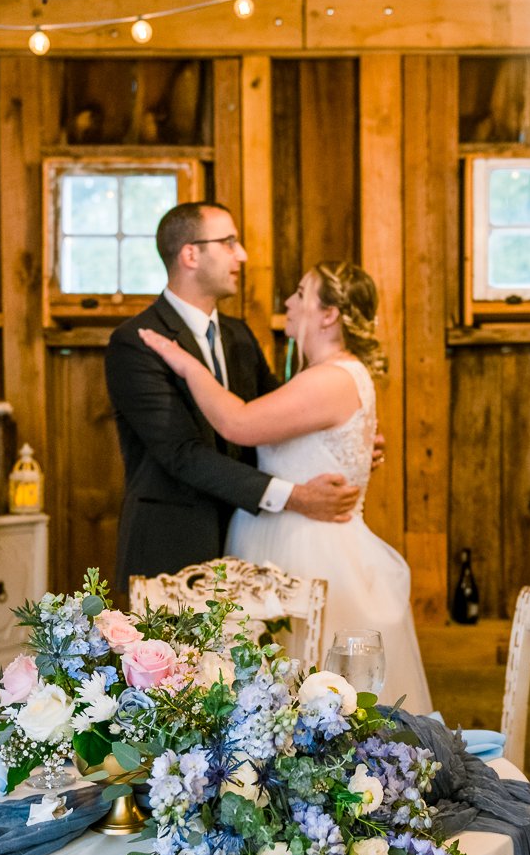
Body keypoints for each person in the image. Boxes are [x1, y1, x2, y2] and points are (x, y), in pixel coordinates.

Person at [140, 259, 432, 714]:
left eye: (301, 292)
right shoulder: (331, 375)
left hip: (306, 548)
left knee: (309, 695)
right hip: (286, 540)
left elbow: (237, 423)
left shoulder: (331, 377)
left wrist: (186, 365)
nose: (289, 302)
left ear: (329, 313)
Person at [105, 202, 361, 592]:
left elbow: (278, 415)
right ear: (190, 254)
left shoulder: (239, 335)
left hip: (249, 544)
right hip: (172, 550)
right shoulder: (137, 342)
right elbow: (183, 455)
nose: (241, 255)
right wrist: (294, 497)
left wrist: (342, 438)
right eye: (228, 243)